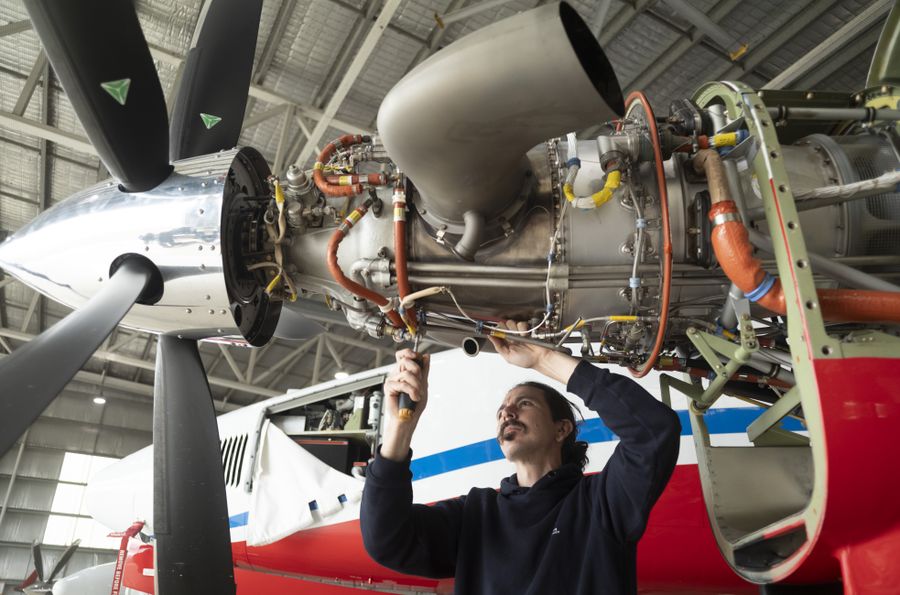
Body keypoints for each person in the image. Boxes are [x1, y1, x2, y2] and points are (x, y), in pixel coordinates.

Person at [361, 320, 681, 594]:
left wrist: (544, 357)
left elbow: (654, 431)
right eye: (502, 411)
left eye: (524, 404)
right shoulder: (475, 515)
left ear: (562, 429)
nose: (507, 413)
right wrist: (400, 427)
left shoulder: (600, 503)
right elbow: (386, 540)